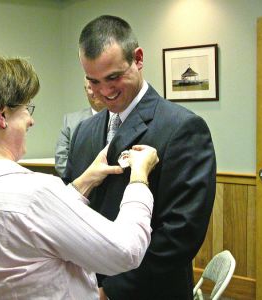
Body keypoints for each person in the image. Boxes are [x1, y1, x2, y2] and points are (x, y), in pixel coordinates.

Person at [0, 54, 159, 299]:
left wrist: (84, 181)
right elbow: (126, 252)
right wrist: (139, 179)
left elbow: (34, 231)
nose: (30, 120)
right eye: (25, 109)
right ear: (2, 116)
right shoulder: (34, 193)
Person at [63, 15, 216, 299]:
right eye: (93, 81)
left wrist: (110, 290)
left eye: (113, 77)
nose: (104, 91)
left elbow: (181, 233)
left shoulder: (182, 128)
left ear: (139, 59)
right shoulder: (84, 131)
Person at [55, 79, 105, 176]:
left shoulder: (120, 118)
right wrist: (82, 182)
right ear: (85, 91)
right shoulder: (70, 121)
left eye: (98, 85)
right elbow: (61, 160)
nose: (95, 91)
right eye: (90, 87)